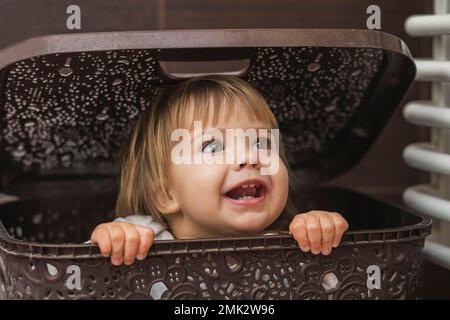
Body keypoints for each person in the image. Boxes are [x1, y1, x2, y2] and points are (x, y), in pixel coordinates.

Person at [90, 75, 349, 266]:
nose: (250, 156)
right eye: (212, 146)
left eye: (261, 142)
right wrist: (113, 239)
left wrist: (321, 233)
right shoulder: (146, 239)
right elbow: (83, 279)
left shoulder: (294, 244)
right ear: (165, 194)